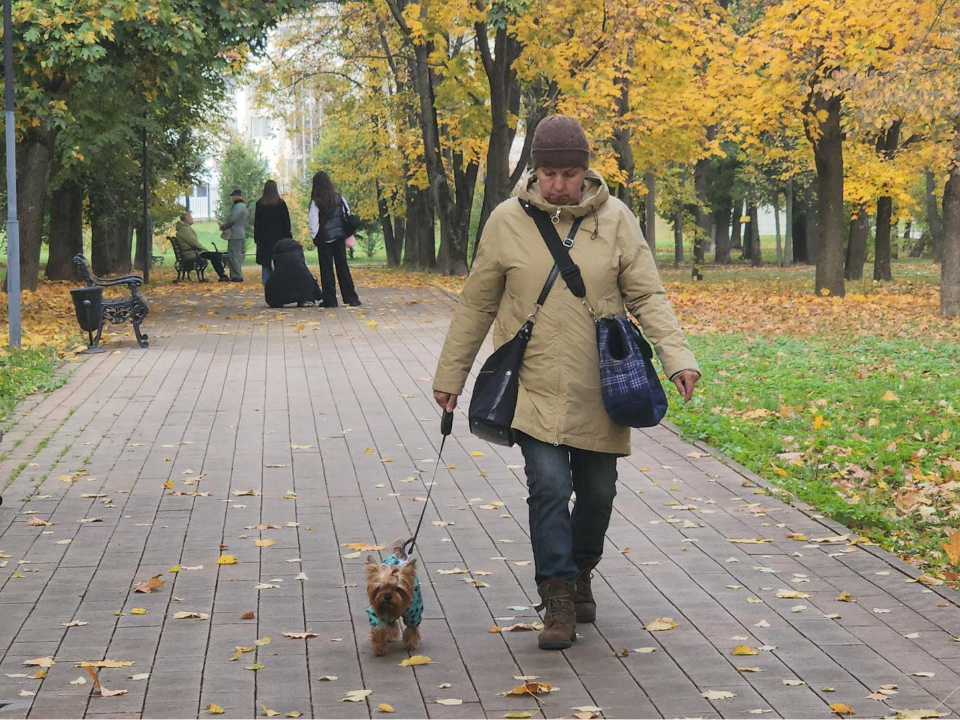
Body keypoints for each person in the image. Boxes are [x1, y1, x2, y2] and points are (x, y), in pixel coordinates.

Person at [431, 115, 701, 652]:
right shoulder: (506, 221)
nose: (558, 185)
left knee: (599, 493)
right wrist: (450, 375)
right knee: (550, 487)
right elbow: (477, 304)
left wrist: (678, 358)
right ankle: (555, 593)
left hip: (602, 385)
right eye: (549, 173)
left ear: (586, 171)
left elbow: (647, 294)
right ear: (534, 170)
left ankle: (580, 571)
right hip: (532, 386)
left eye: (569, 174)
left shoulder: (616, 219)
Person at [308, 171, 361, 307]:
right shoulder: (339, 198)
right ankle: (351, 297)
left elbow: (313, 222)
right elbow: (346, 214)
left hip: (324, 239)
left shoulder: (316, 202)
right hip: (339, 237)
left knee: (326, 270)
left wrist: (314, 236)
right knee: (343, 267)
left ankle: (330, 299)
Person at [253, 179, 292, 285]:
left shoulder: (260, 204)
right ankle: (279, 286)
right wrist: (288, 237)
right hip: (279, 239)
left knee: (266, 265)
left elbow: (257, 223)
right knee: (279, 264)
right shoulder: (281, 204)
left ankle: (267, 286)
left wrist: (257, 239)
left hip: (264, 240)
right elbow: (286, 223)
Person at [264, 239, 323, 308]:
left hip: (281, 287)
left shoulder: (276, 255)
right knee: (307, 278)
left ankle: (276, 301)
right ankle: (307, 299)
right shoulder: (299, 255)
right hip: (303, 284)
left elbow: (273, 268)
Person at [172, 211, 228, 281]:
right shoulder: (184, 229)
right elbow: (193, 242)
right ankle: (222, 275)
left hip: (192, 252)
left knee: (217, 255)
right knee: (215, 255)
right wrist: (203, 249)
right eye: (190, 217)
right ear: (185, 219)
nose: (192, 218)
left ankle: (222, 275)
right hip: (192, 254)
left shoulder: (184, 228)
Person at [219, 188, 248, 282]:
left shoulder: (238, 206)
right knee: (236, 255)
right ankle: (235, 275)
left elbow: (232, 220)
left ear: (237, 196)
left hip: (235, 234)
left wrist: (225, 226)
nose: (232, 198)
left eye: (233, 196)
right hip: (240, 233)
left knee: (233, 255)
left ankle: (237, 276)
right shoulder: (243, 206)